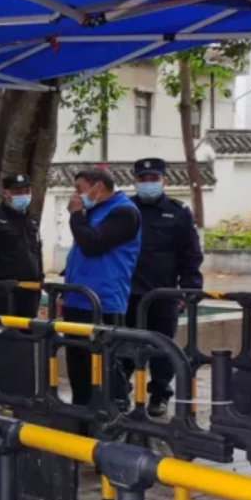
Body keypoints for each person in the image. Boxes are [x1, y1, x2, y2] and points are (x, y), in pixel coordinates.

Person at [123, 157, 203, 417]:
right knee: (122, 345)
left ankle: (159, 395)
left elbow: (190, 255)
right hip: (127, 293)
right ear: (134, 181)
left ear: (164, 181)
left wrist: (188, 290)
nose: (148, 184)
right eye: (143, 179)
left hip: (163, 293)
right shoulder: (123, 210)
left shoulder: (178, 213)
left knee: (162, 347)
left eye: (153, 179)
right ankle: (119, 393)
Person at [63, 166, 141, 407]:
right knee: (79, 366)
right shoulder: (94, 211)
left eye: (80, 189)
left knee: (105, 363)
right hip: (77, 299)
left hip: (103, 302)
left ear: (98, 186)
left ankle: (116, 411)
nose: (76, 196)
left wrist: (75, 215)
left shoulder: (123, 212)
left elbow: (92, 245)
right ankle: (82, 413)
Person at [0, 173, 43, 317]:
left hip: (30, 291)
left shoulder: (30, 221)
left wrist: (40, 281)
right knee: (6, 335)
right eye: (17, 192)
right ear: (6, 194)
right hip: (4, 291)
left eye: (26, 192)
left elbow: (36, 253)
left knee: (28, 335)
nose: (23, 196)